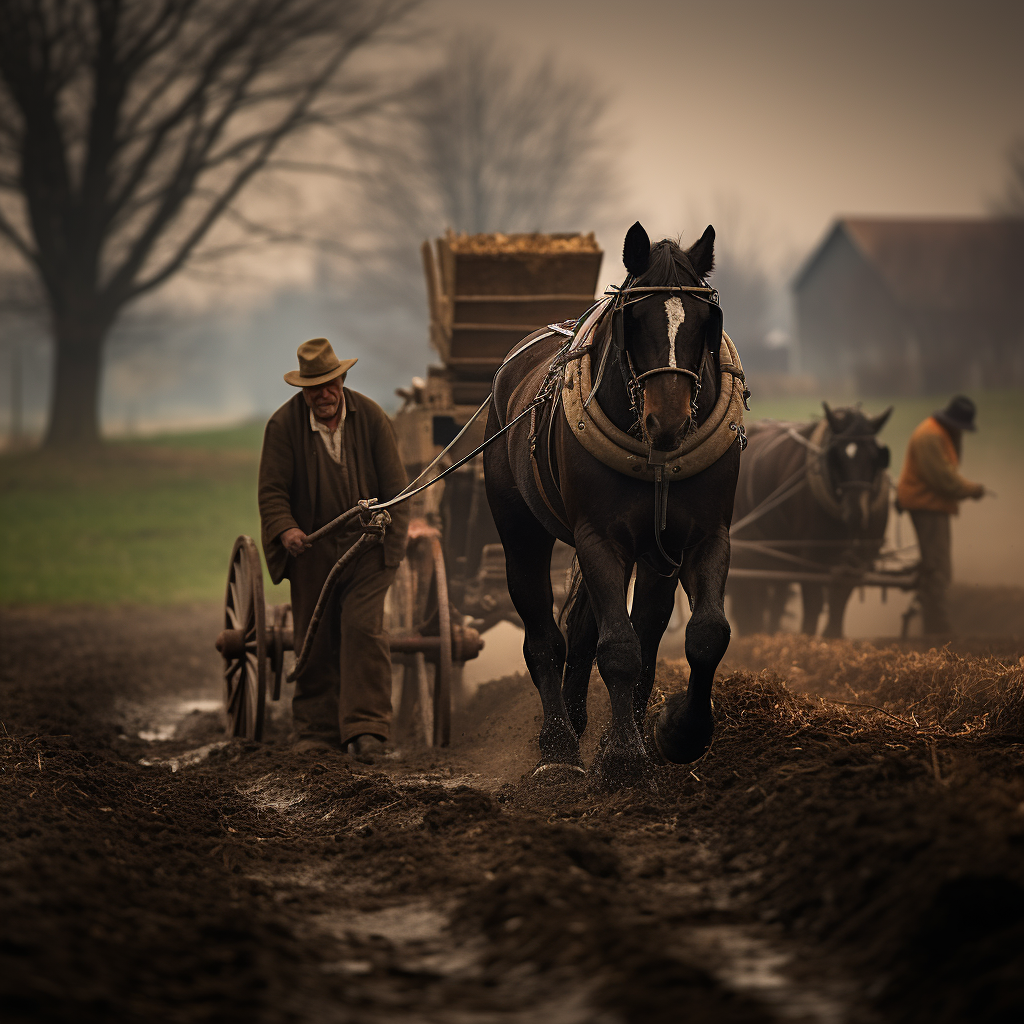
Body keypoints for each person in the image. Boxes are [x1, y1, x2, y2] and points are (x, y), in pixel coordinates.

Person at [258, 338, 409, 756]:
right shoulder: (282, 427)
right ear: (302, 390)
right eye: (313, 388)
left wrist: (389, 552)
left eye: (330, 384)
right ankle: (315, 730)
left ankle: (367, 728)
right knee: (315, 633)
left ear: (342, 380)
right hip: (312, 551)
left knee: (362, 627)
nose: (323, 395)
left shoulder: (372, 418)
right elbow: (271, 492)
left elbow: (397, 490)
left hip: (368, 549)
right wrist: (286, 530)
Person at [896, 395, 985, 635]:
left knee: (936, 565)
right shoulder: (931, 436)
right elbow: (943, 479)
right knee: (937, 567)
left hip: (933, 505)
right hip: (926, 505)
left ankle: (934, 623)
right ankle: (937, 627)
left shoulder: (939, 433)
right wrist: (972, 489)